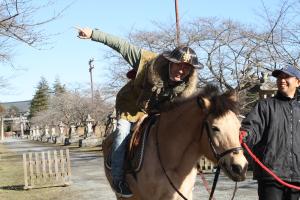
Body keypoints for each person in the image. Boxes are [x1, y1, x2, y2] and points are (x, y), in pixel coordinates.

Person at [76, 27, 203, 198]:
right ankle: (119, 179)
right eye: (178, 64)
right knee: (122, 133)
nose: (181, 70)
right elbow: (121, 45)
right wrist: (93, 34)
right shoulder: (147, 60)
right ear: (170, 62)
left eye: (186, 68)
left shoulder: (186, 88)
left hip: (157, 111)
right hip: (130, 106)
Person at [241, 64, 300, 200]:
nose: (281, 80)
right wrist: (245, 135)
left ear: (298, 81)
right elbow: (252, 128)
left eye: (286, 77)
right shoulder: (265, 106)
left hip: (297, 177)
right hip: (271, 175)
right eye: (279, 77)